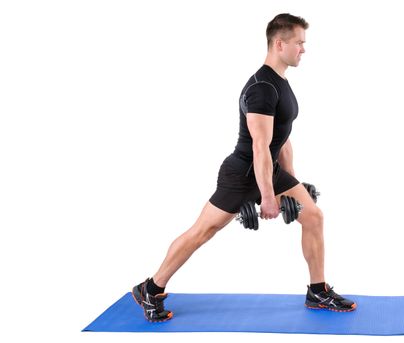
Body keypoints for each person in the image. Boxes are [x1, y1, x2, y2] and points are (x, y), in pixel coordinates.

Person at [132, 13, 357, 322]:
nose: (303, 49)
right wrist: (268, 198)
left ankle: (317, 290)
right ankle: (151, 287)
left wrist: (293, 183)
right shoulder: (262, 87)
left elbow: (282, 141)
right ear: (280, 44)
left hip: (269, 170)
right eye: (299, 43)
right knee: (203, 231)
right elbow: (260, 146)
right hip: (242, 173)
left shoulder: (281, 84)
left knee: (314, 217)